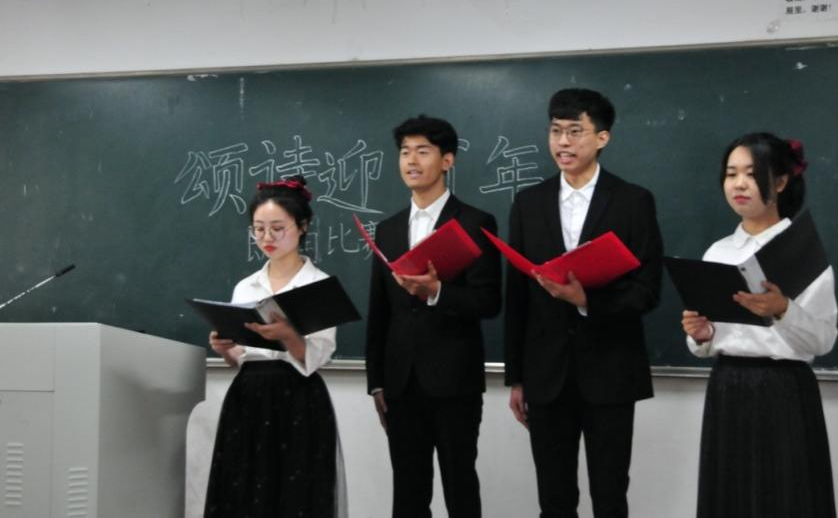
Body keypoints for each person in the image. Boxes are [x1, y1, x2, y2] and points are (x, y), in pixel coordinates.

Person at [503, 88, 663, 518]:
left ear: (603, 138)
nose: (563, 142)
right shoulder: (528, 202)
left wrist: (587, 300)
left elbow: (648, 289)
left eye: (575, 131)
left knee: (610, 495)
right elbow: (517, 295)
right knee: (554, 498)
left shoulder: (633, 201)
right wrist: (517, 378)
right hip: (546, 374)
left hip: (611, 370)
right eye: (555, 131)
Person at [681, 132, 838, 518]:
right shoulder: (718, 252)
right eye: (731, 173)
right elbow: (709, 337)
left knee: (787, 496)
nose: (738, 184)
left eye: (751, 174)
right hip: (728, 385)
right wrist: (701, 335)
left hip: (784, 389)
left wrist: (783, 309)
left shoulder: (803, 251)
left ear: (780, 182)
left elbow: (824, 339)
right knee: (729, 496)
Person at [365, 115, 501, 518]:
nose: (411, 160)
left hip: (454, 379)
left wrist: (437, 292)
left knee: (460, 484)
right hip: (400, 382)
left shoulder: (474, 223)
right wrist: (376, 381)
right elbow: (380, 310)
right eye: (405, 152)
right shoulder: (388, 229)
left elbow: (489, 301)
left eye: (423, 151)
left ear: (447, 160)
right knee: (408, 490)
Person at [205, 176, 347, 518]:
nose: (267, 238)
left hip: (298, 397)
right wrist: (224, 348)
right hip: (247, 397)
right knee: (243, 491)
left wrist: (288, 336)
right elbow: (242, 356)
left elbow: (317, 356)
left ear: (302, 226)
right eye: (259, 229)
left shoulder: (319, 285)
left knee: (296, 494)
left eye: (277, 228)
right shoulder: (246, 286)